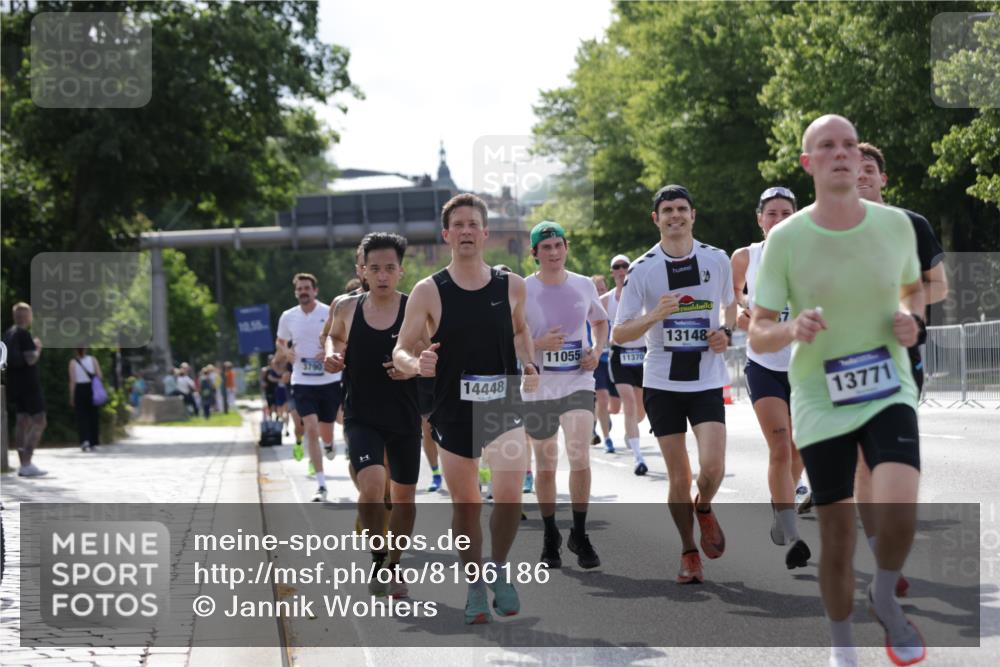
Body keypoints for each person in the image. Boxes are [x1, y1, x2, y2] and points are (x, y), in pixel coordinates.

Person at [749, 114, 926, 667]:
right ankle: (843, 649)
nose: (843, 153)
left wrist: (910, 320)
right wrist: (791, 328)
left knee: (899, 507)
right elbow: (756, 327)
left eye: (850, 144)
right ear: (809, 163)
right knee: (838, 536)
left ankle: (883, 593)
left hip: (886, 382)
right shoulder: (786, 238)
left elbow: (912, 292)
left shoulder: (896, 224)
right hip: (819, 394)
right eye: (828, 146)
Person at [393, 193, 539, 625]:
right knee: (467, 505)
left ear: (486, 232)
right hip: (453, 410)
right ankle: (475, 583)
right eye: (458, 224)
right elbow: (401, 348)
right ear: (446, 235)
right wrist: (416, 364)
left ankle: (498, 567)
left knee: (510, 497)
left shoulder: (511, 285)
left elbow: (520, 330)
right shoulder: (428, 290)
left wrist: (528, 361)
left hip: (502, 404)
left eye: (473, 223)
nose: (466, 231)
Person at [612, 184, 736, 584]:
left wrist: (726, 334)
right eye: (667, 210)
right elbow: (619, 332)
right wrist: (655, 316)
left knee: (713, 468)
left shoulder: (716, 260)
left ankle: (704, 507)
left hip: (706, 378)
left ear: (693, 215)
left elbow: (730, 305)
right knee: (678, 476)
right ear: (657, 219)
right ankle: (687, 550)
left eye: (682, 208)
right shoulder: (643, 269)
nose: (675, 216)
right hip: (663, 381)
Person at [855, 141, 949, 599]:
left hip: (899, 358)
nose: (861, 175)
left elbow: (939, 286)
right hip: (843, 360)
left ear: (883, 178)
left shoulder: (912, 225)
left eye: (870, 168)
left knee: (892, 460)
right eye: (853, 168)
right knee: (862, 463)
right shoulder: (823, 229)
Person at [324, 232, 421, 598]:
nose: (382, 275)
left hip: (405, 416)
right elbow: (334, 337)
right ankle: (378, 555)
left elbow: (432, 355)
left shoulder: (415, 308)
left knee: (404, 499)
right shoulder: (346, 308)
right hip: (362, 414)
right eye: (375, 268)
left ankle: (395, 564)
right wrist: (334, 353)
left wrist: (413, 368)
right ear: (362, 271)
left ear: (401, 271)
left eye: (390, 268)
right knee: (371, 488)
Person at [731, 187, 811, 569]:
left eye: (786, 213)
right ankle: (793, 534)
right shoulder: (745, 257)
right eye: (771, 213)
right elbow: (729, 303)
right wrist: (745, 318)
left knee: (799, 449)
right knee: (780, 445)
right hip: (763, 364)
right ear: (760, 219)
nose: (779, 220)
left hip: (805, 365)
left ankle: (782, 508)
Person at [522, 221, 608, 569]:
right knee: (545, 468)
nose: (554, 253)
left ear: (566, 247)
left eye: (559, 245)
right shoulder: (522, 290)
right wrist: (538, 345)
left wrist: (597, 351)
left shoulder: (584, 284)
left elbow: (600, 323)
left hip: (578, 381)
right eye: (547, 248)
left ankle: (580, 532)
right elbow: (511, 339)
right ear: (535, 254)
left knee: (579, 454)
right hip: (539, 387)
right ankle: (549, 534)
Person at [277, 273, 342, 502]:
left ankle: (329, 443)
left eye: (307, 288)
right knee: (311, 428)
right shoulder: (288, 316)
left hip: (329, 380)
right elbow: (281, 341)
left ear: (315, 290)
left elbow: (340, 337)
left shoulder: (328, 312)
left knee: (326, 430)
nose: (303, 291)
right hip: (302, 380)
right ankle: (321, 485)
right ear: (296, 292)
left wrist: (329, 351)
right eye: (300, 288)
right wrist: (286, 352)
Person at [603, 254, 649, 472]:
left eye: (625, 266)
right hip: (619, 355)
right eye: (616, 267)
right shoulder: (606, 300)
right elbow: (594, 322)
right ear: (612, 272)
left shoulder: (643, 296)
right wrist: (596, 344)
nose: (621, 270)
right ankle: (639, 458)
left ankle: (630, 432)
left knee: (641, 410)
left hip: (642, 355)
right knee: (628, 404)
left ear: (630, 270)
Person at [3, 303, 47, 477]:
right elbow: (30, 359)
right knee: (40, 420)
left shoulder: (8, 333)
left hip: (14, 384)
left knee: (22, 421)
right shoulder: (24, 334)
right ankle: (27, 462)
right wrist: (37, 348)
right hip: (30, 385)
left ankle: (23, 463)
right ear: (26, 317)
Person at [590, 274, 618, 449]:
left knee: (614, 406)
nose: (600, 292)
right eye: (597, 290)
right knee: (601, 396)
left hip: (614, 359)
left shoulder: (612, 306)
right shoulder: (588, 310)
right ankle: (607, 439)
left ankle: (601, 415)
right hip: (597, 360)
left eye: (602, 289)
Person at [69, 347, 103, 451]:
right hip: (91, 389)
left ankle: (84, 441)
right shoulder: (93, 359)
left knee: (81, 417)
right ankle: (93, 441)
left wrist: (72, 396)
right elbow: (99, 375)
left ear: (75, 350)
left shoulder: (73, 362)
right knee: (93, 415)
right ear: (86, 350)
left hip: (79, 389)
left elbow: (72, 381)